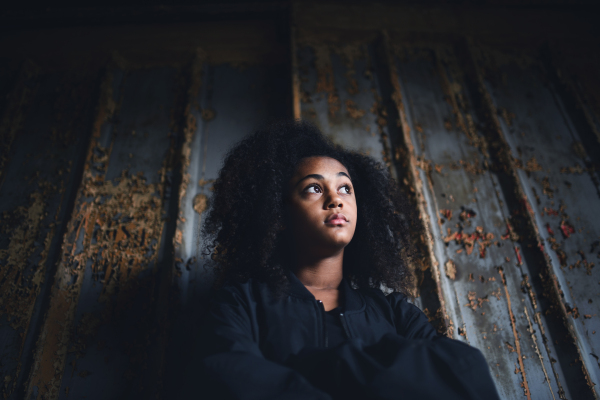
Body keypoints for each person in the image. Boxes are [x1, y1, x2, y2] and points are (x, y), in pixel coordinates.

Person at [194, 121, 500, 400]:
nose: (335, 199)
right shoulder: (243, 302)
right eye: (314, 188)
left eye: (345, 188)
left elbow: (463, 372)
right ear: (279, 215)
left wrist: (310, 367)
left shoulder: (394, 312)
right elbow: (230, 378)